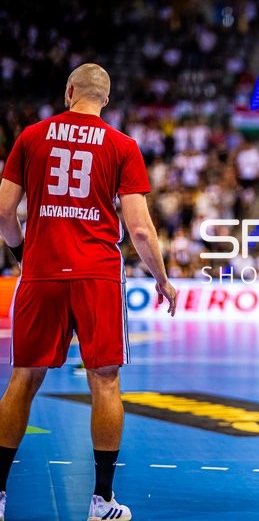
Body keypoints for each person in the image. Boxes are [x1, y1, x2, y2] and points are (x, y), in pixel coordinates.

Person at [0, 63, 177, 521]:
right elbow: (139, 228)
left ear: (69, 91)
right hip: (97, 273)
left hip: (41, 271)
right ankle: (101, 501)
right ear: (106, 100)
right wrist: (161, 278)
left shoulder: (32, 136)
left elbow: (3, 211)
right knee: (105, 381)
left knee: (23, 379)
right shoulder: (122, 146)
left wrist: (24, 251)